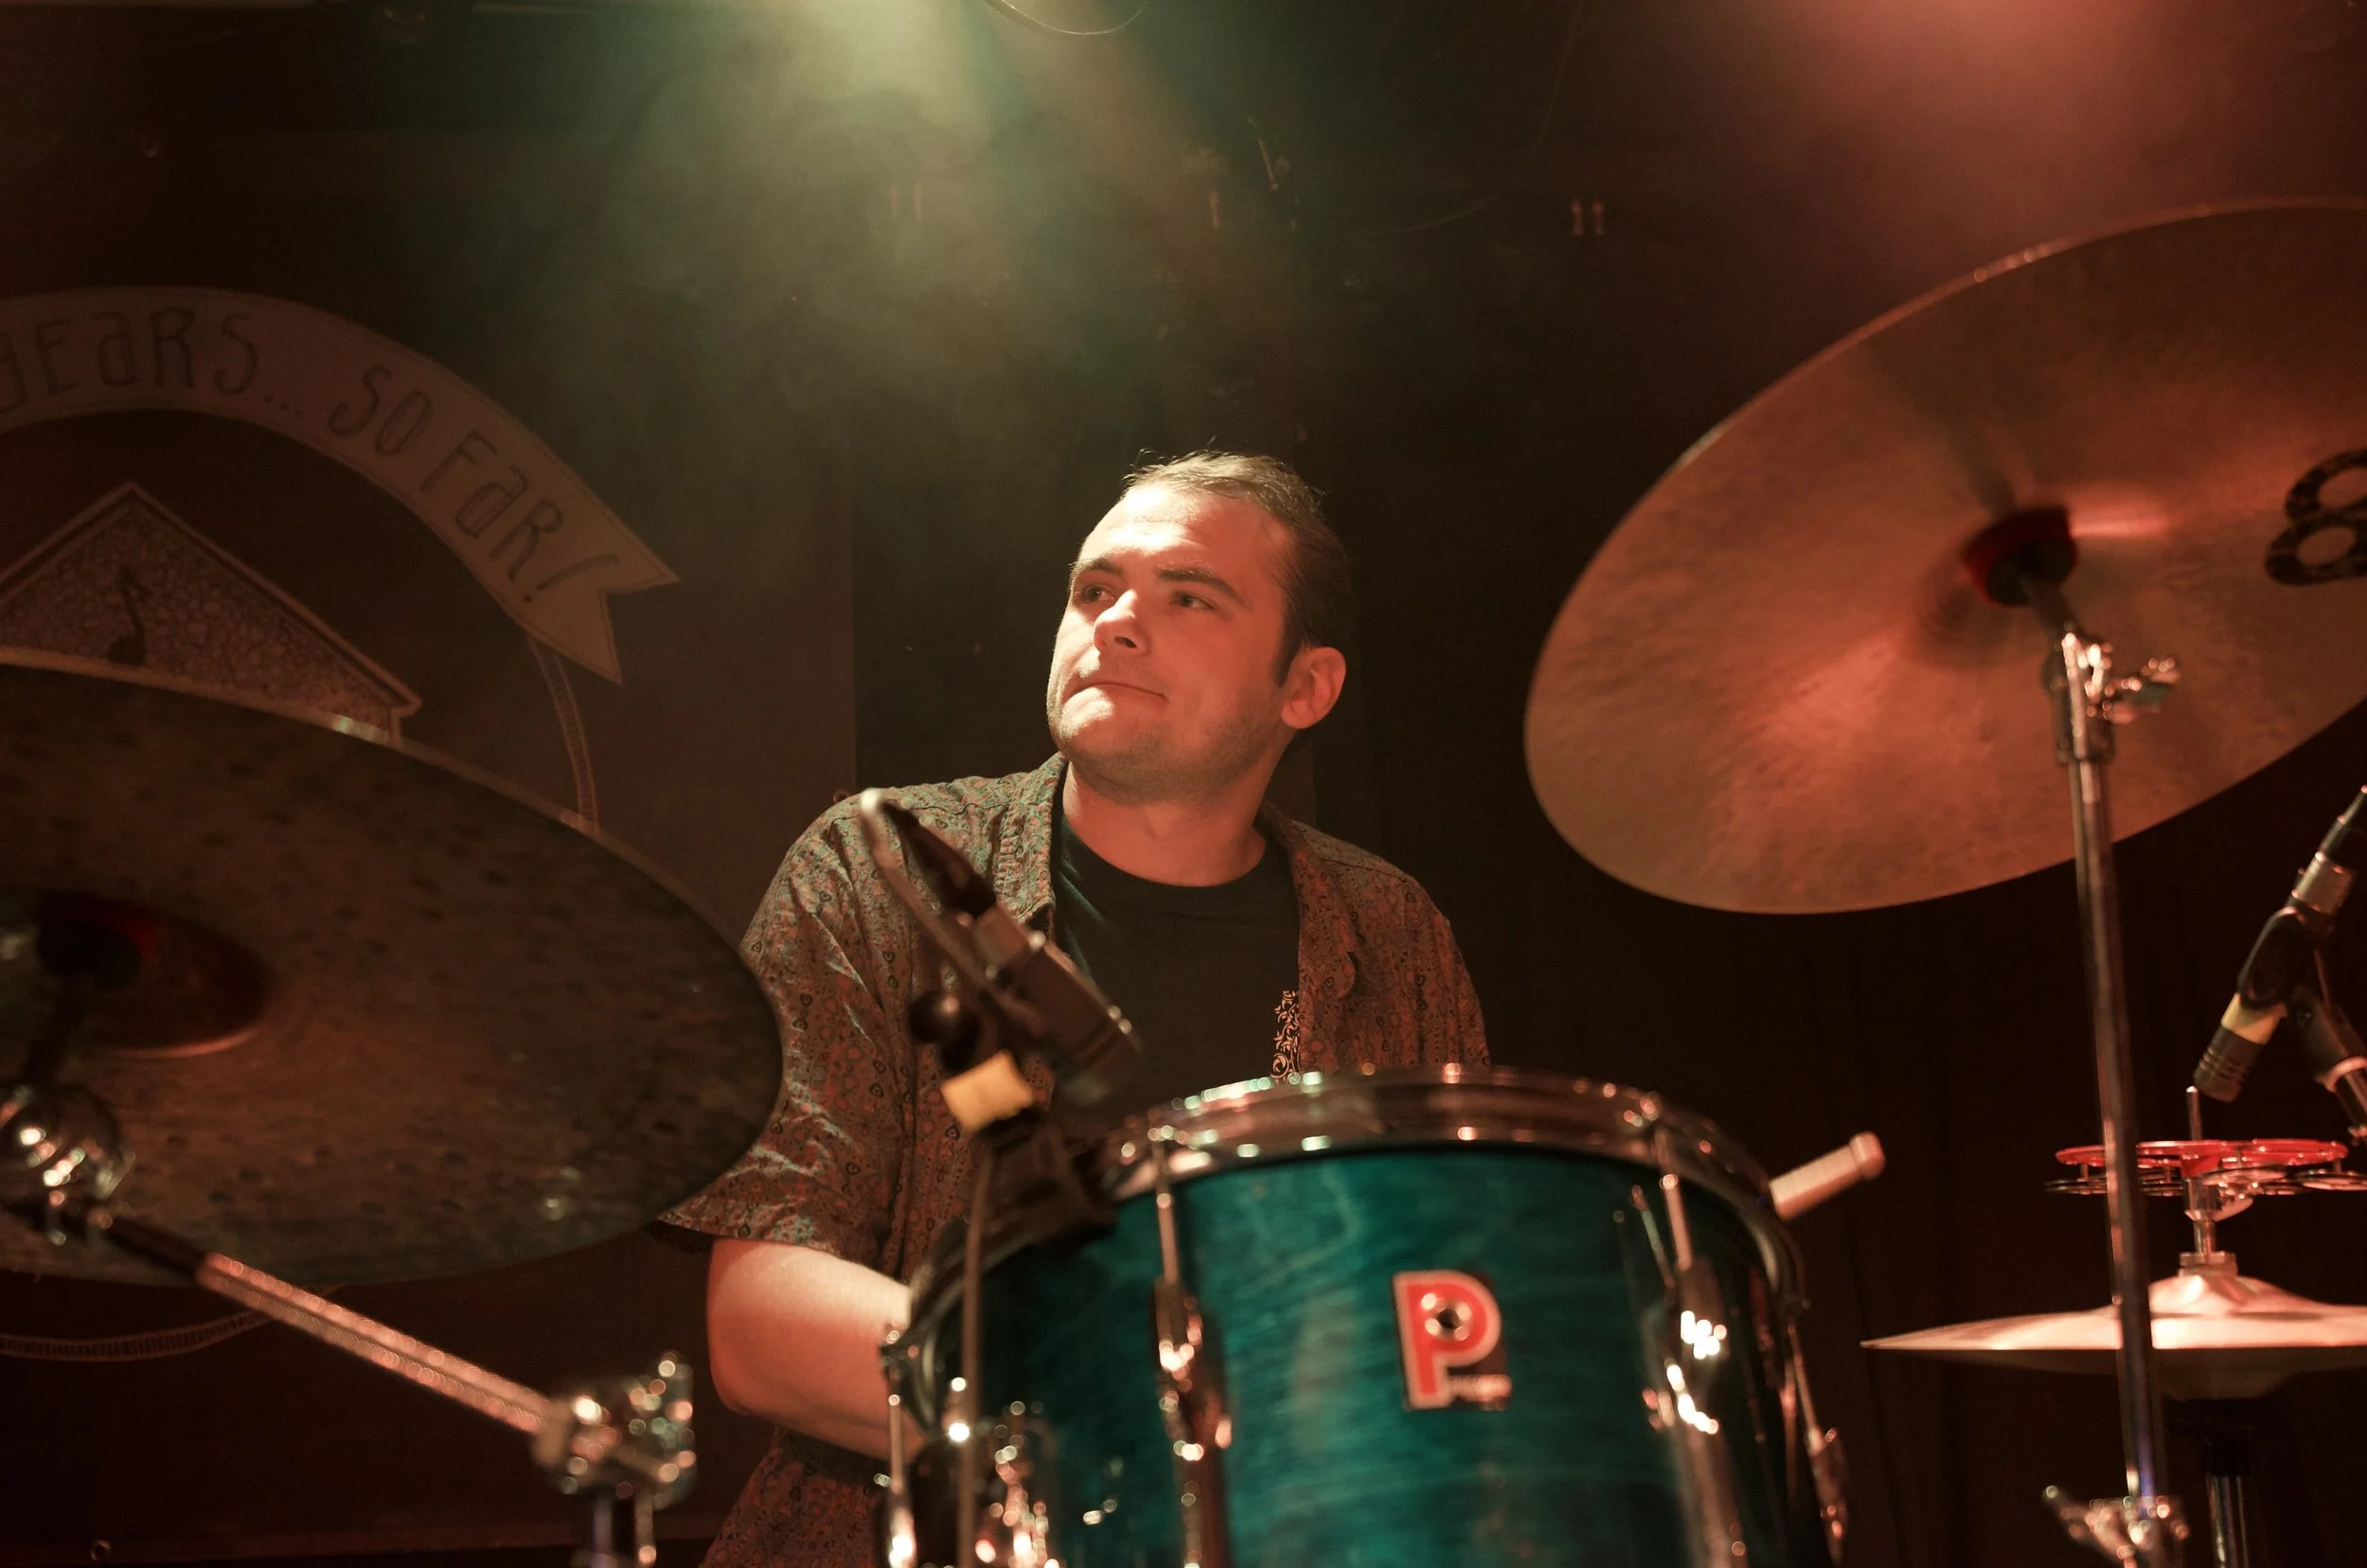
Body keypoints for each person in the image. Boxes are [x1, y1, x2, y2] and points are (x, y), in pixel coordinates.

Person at [667, 452, 1488, 1566]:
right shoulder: (883, 872)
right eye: (1094, 589)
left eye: (1188, 597)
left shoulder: (1390, 933)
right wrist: (1133, 1406)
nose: (1117, 621)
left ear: (1305, 687)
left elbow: (1450, 1300)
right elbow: (764, 1325)